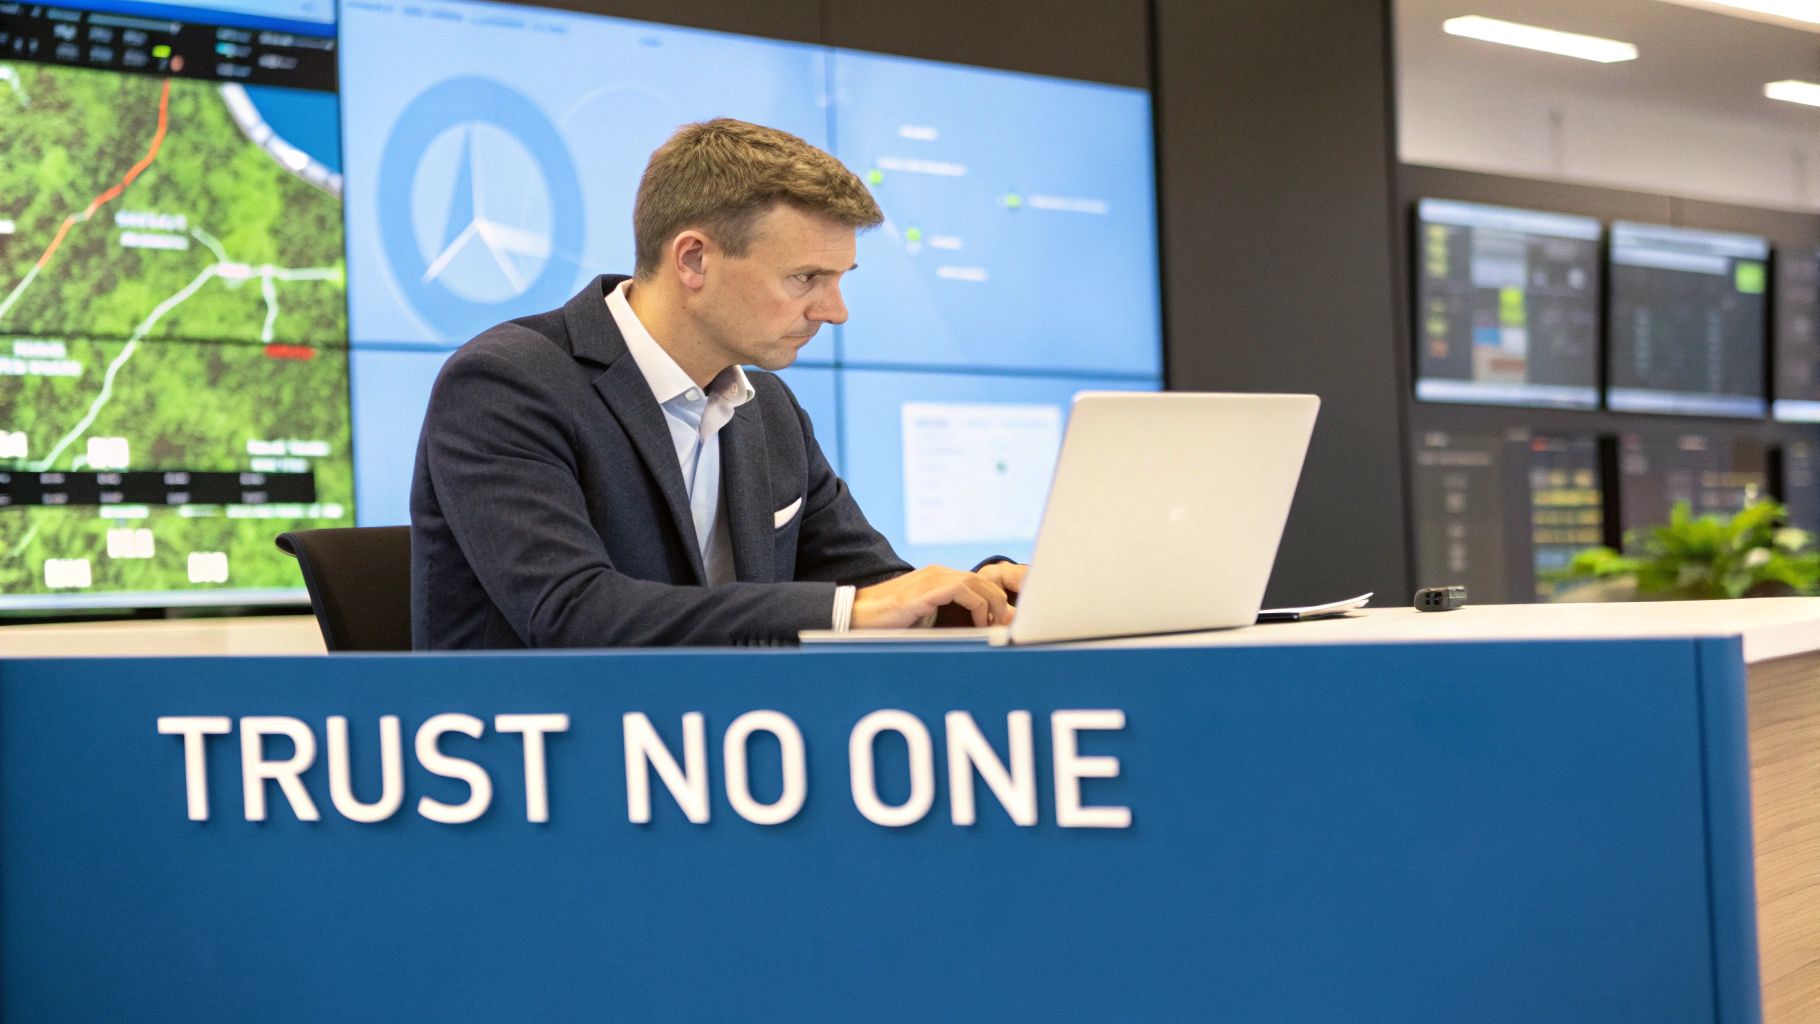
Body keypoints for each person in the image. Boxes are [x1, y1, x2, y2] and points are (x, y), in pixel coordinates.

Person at [410, 118, 1026, 647]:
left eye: (841, 278)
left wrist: (971, 599)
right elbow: (573, 615)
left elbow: (873, 587)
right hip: (536, 763)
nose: (835, 311)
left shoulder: (770, 410)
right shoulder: (506, 383)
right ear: (693, 259)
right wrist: (855, 611)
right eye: (806, 277)